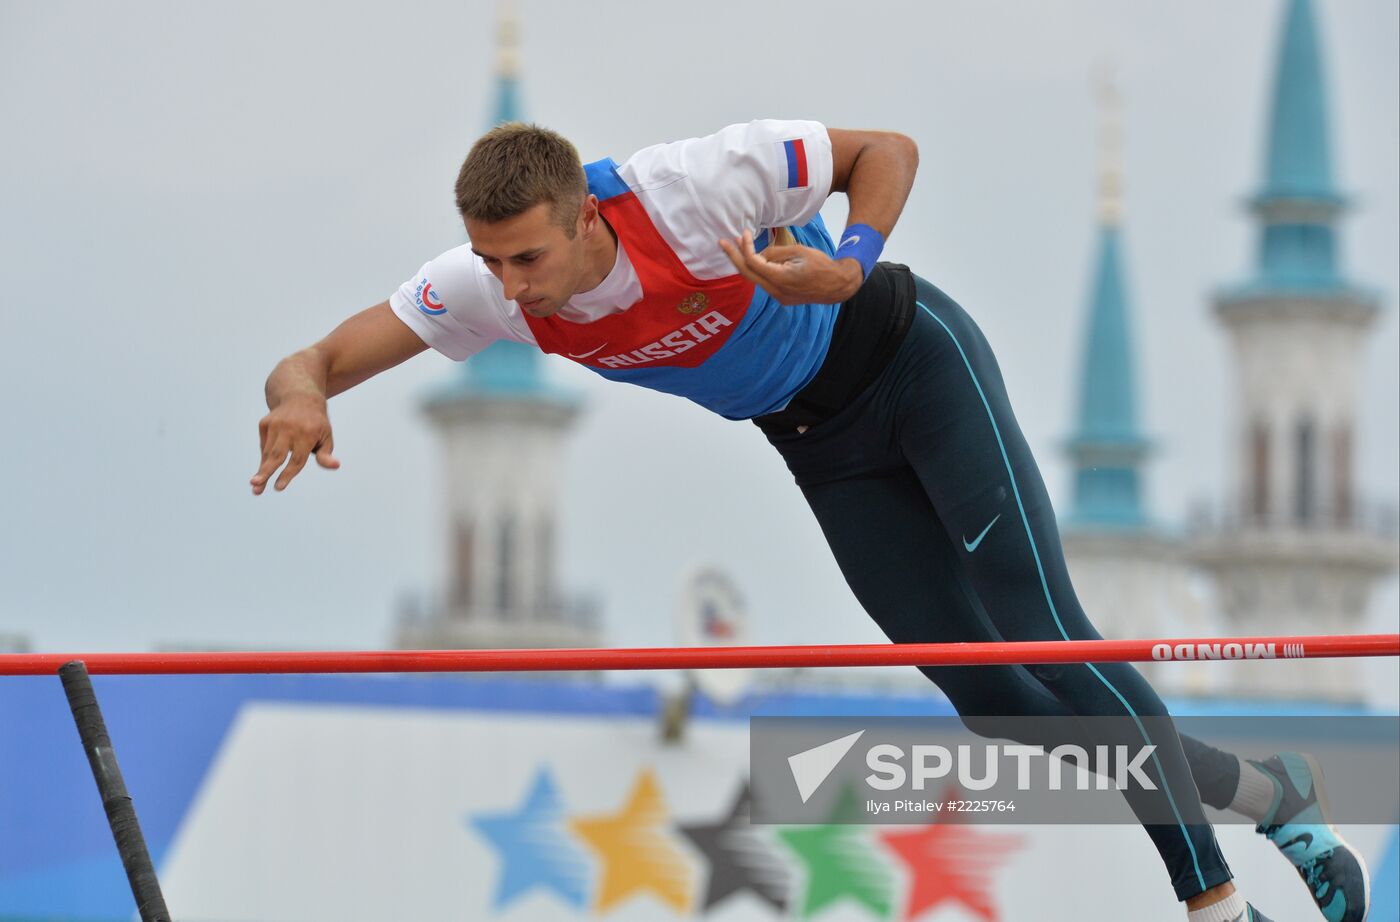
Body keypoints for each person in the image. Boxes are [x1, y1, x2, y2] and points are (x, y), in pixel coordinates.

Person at [252, 120, 1368, 922]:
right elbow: (320, 355)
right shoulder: (483, 285)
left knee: (1051, 640)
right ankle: (1274, 792)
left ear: (585, 215)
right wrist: (298, 393)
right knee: (993, 702)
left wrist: (848, 261)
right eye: (492, 261)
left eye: (528, 258)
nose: (512, 286)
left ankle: (1212, 902)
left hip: (915, 364)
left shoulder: (690, 189)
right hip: (823, 447)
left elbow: (884, 150)